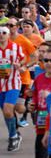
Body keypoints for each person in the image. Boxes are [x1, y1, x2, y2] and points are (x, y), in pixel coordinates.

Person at [0, 23, 27, 151]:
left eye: (4, 32)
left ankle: (13, 136)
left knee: (7, 109)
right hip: (0, 85)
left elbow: (23, 59)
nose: (1, 35)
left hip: (13, 83)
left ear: (8, 34)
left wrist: (19, 66)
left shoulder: (15, 47)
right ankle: (15, 133)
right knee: (7, 113)